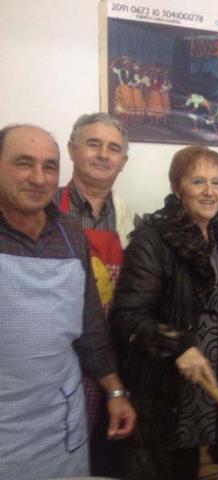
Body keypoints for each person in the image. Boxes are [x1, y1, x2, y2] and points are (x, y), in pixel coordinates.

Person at [0, 124, 135, 479]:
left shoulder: (70, 234)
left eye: (49, 167)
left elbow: (90, 327)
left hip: (60, 417)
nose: (38, 178)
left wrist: (115, 391)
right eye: (23, 163)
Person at [110, 145, 218, 479]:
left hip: (206, 376)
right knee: (159, 465)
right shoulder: (153, 239)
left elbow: (216, 296)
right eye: (198, 181)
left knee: (187, 465)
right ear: (177, 187)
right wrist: (178, 346)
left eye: (216, 182)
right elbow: (127, 316)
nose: (209, 191)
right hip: (165, 385)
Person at [55, 112, 137, 475]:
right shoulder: (45, 211)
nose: (103, 155)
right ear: (72, 150)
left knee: (108, 455)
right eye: (93, 144)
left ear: (123, 161)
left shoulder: (131, 220)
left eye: (113, 148)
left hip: (113, 359)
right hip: (61, 359)